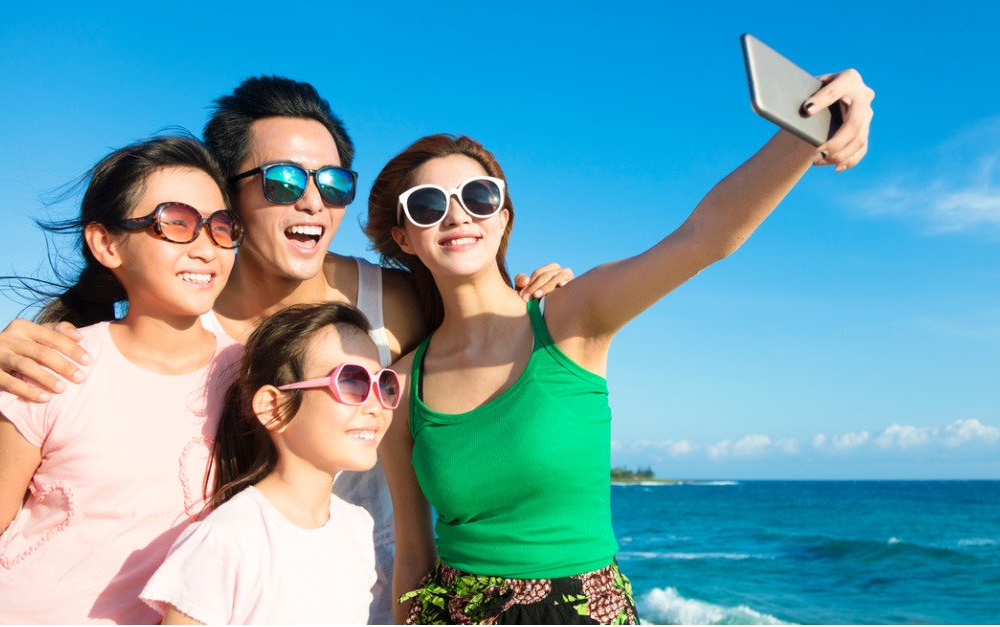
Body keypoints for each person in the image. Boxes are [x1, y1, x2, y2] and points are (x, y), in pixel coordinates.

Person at [0, 75, 571, 623]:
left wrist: (539, 299)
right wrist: (5, 366)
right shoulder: (184, 307)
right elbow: (111, 383)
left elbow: (479, 339)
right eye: (283, 180)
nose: (312, 201)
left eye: (334, 184)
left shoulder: (390, 304)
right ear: (225, 198)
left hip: (358, 600)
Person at [372, 69, 875, 624]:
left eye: (478, 195)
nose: (457, 213)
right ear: (404, 236)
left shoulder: (572, 317)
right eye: (426, 204)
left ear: (502, 216)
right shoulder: (400, 385)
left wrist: (804, 133)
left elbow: (704, 237)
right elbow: (415, 559)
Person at [0, 135, 242, 623]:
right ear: (106, 244)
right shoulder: (51, 365)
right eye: (176, 223)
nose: (206, 248)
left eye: (221, 227)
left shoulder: (250, 376)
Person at [142, 302, 397, 624]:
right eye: (351, 382)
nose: (377, 405)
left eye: (384, 384)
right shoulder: (226, 538)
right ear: (273, 408)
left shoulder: (358, 525)